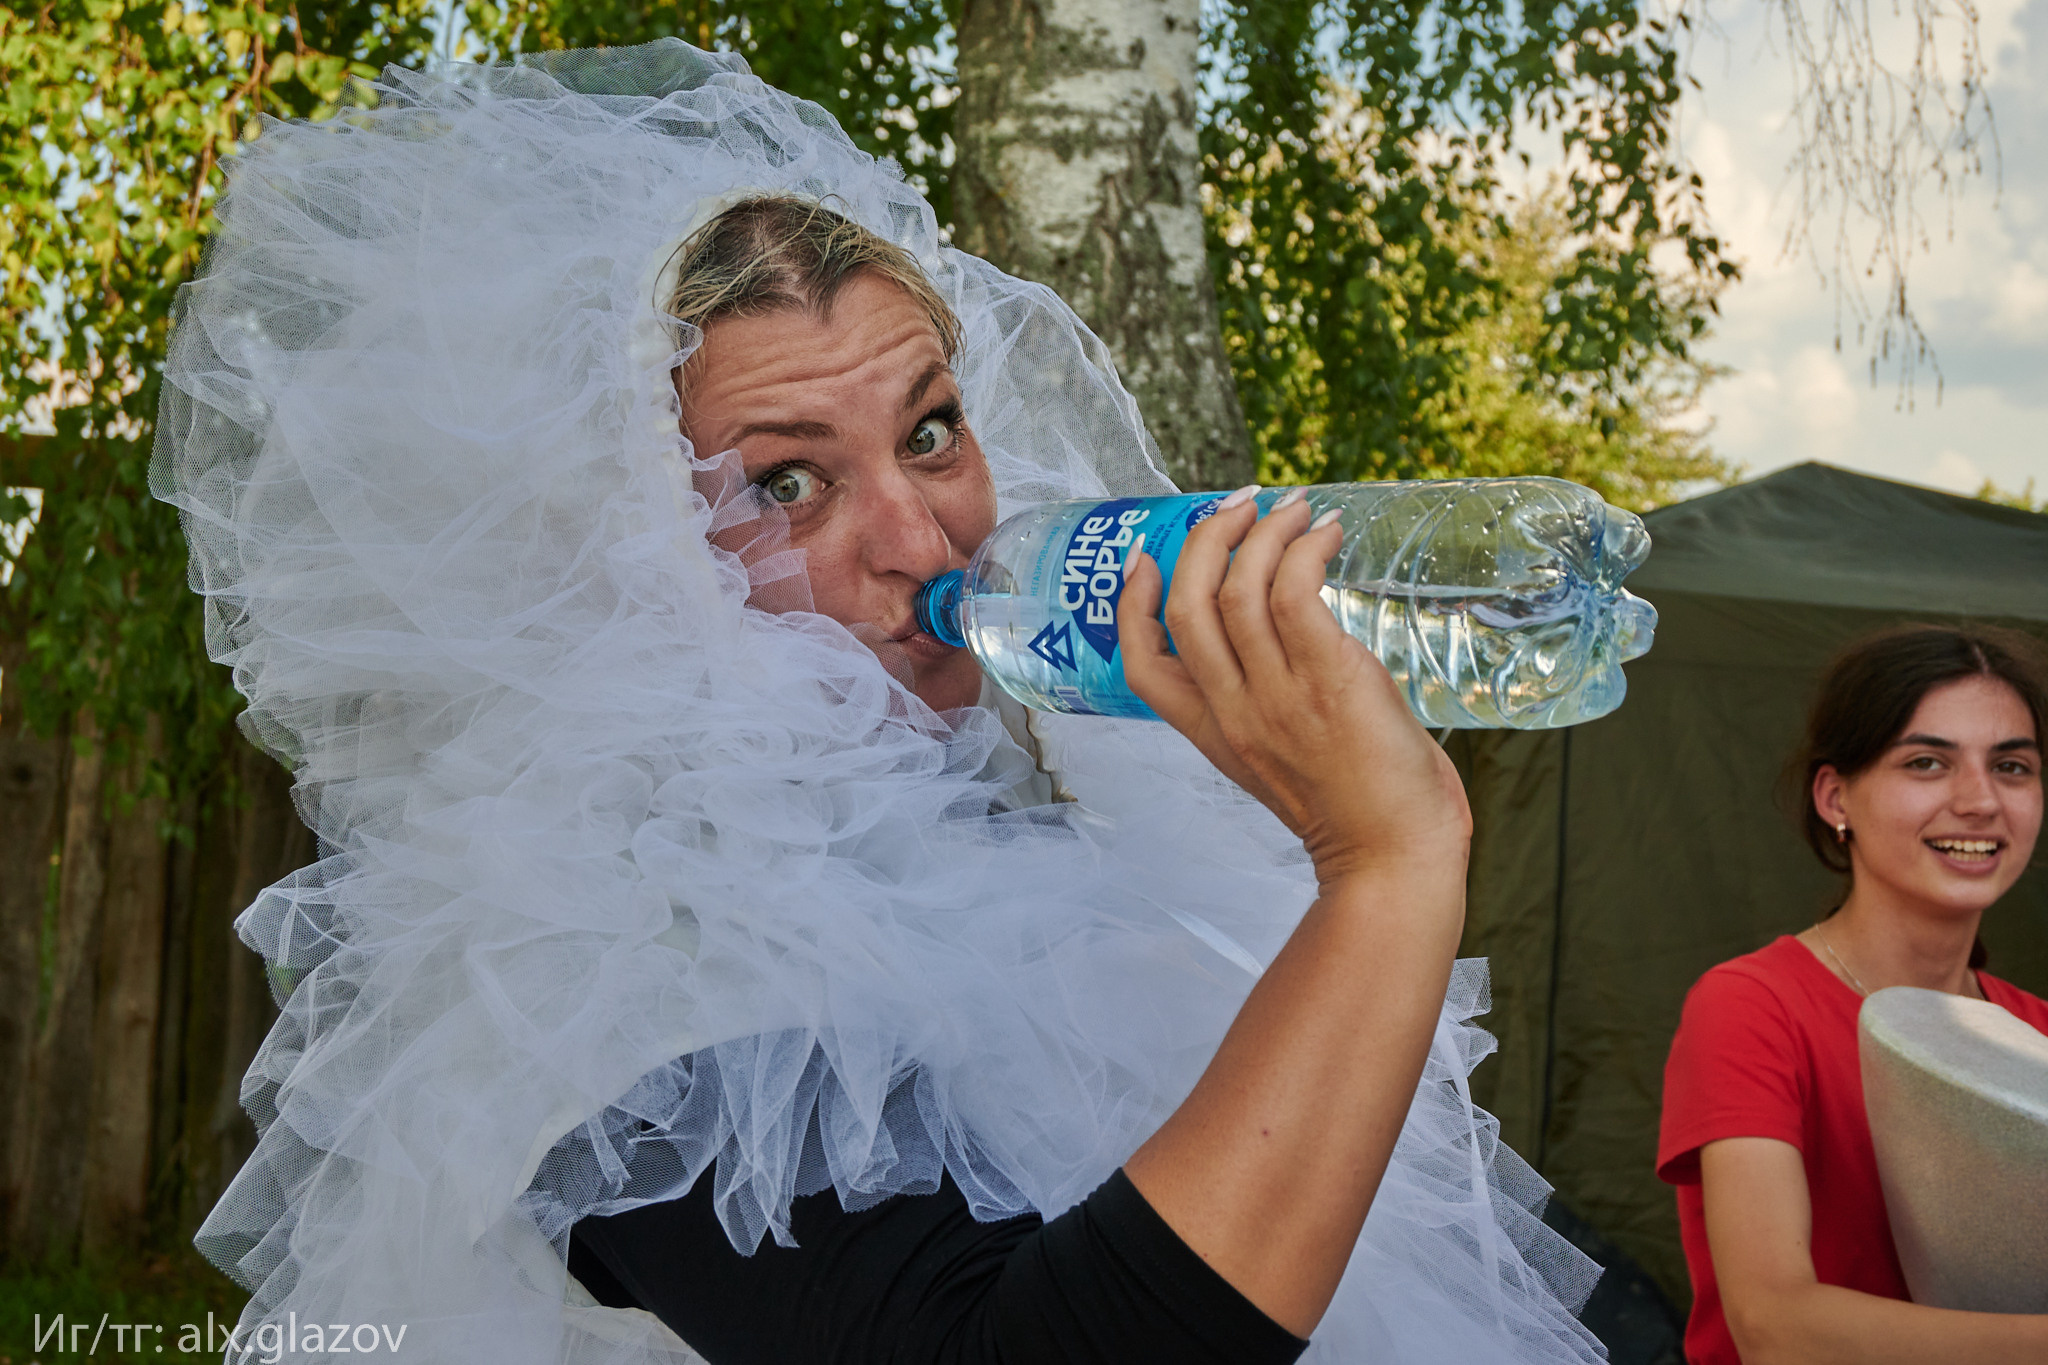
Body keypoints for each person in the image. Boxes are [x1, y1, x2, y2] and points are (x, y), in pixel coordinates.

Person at [155, 40, 1600, 1365]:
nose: (924, 539)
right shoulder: (596, 951)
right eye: (786, 482)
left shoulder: (1062, 810)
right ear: (621, 556)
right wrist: (1389, 875)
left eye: (931, 430)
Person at [1658, 624, 2048, 1365]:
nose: (1980, 800)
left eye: (2013, 766)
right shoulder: (1750, 1005)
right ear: (1837, 796)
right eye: (1927, 762)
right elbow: (1776, 1326)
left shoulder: (2036, 1031)